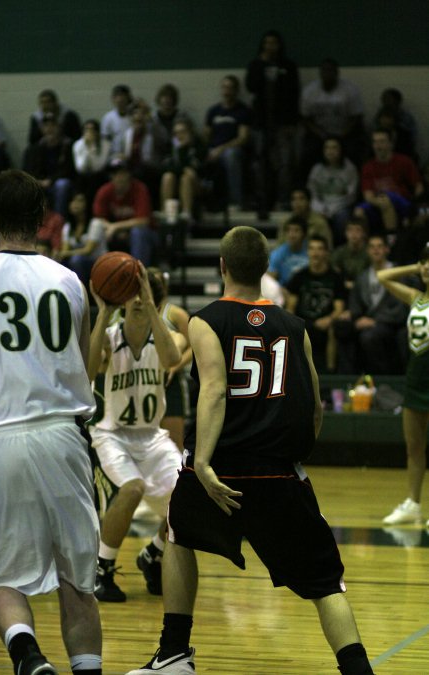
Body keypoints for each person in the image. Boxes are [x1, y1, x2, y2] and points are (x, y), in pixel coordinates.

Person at [126, 225, 374, 675]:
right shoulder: (295, 326)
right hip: (279, 471)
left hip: (219, 470)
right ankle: (358, 669)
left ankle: (175, 654)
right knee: (325, 585)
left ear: (222, 266)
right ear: (266, 269)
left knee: (179, 535)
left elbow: (215, 390)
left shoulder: (205, 319)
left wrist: (201, 461)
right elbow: (314, 404)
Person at [0, 169, 102, 675]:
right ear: (43, 220)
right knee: (79, 580)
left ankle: (28, 656)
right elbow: (84, 365)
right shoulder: (68, 279)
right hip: (63, 434)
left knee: (3, 577)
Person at [88, 268, 186, 601]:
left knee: (190, 498)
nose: (138, 302)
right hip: (112, 435)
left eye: (145, 297)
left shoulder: (168, 337)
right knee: (133, 489)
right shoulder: (110, 335)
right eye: (132, 295)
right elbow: (88, 370)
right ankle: (101, 569)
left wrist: (153, 307)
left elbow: (173, 358)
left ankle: (154, 554)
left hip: (152, 437)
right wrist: (103, 311)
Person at [377, 246, 429, 526]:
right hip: (416, 377)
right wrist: (415, 266)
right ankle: (413, 503)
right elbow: (382, 276)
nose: (427, 268)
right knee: (414, 446)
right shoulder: (415, 298)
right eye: (425, 263)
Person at [334, 235, 408, 375]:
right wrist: (351, 314)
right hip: (367, 320)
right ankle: (346, 378)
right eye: (372, 247)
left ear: (386, 249)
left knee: (369, 337)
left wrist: (375, 321)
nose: (376, 250)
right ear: (367, 251)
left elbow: (401, 307)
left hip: (391, 323)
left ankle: (383, 378)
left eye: (379, 246)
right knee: (341, 327)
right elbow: (356, 303)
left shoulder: (398, 274)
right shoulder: (363, 277)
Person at [245, 29, 300, 212]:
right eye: (267, 43)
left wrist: (292, 123)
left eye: (274, 43)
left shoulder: (288, 66)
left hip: (283, 123)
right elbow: (250, 86)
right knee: (260, 163)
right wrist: (263, 67)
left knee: (285, 163)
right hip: (261, 123)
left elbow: (294, 94)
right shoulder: (255, 65)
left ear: (279, 45)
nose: (270, 46)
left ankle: (283, 199)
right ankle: (262, 198)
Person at [286, 235, 345, 372]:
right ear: (307, 252)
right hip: (302, 322)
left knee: (334, 329)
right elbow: (290, 306)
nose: (315, 253)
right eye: (311, 249)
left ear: (326, 253)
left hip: (326, 322)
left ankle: (331, 374)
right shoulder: (299, 276)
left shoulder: (335, 277)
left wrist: (328, 319)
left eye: (319, 249)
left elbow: (339, 308)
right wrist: (294, 323)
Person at [300, 58, 366, 178]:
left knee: (354, 153)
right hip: (319, 133)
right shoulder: (309, 91)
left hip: (345, 132)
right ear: (320, 73)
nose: (327, 73)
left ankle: (355, 185)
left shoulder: (350, 90)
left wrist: (341, 134)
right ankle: (306, 189)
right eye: (324, 70)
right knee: (307, 154)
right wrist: (320, 133)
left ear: (337, 72)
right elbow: (305, 118)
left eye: (330, 70)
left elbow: (356, 117)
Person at [149, 268, 192, 450]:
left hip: (170, 382)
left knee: (174, 445)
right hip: (145, 381)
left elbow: (193, 347)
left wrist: (175, 367)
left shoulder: (176, 314)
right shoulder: (130, 312)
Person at [355, 129, 423, 235]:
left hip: (402, 202)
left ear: (391, 144)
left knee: (386, 199)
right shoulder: (368, 166)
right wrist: (380, 203)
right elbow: (368, 195)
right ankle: (368, 245)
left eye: (382, 141)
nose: (378, 146)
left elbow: (418, 186)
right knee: (359, 212)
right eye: (375, 142)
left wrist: (415, 205)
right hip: (379, 202)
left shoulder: (404, 161)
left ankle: (391, 240)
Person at [92, 159, 157, 266]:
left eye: (122, 173)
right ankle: (102, 272)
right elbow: (98, 219)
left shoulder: (140, 189)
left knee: (138, 232)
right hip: (115, 234)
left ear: (129, 174)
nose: (119, 177)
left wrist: (116, 227)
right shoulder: (104, 191)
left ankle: (139, 274)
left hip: (146, 235)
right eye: (115, 174)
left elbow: (143, 221)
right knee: (98, 231)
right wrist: (111, 228)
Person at [203, 75, 252, 211]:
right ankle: (204, 203)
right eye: (224, 87)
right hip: (213, 149)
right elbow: (206, 135)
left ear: (236, 90)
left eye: (230, 87)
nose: (226, 91)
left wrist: (221, 149)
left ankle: (235, 202)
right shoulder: (213, 111)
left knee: (231, 156)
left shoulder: (242, 111)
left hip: (233, 149)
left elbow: (243, 138)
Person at [307, 136, 359, 245]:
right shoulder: (317, 169)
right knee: (317, 220)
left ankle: (340, 247)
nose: (330, 151)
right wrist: (321, 208)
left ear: (341, 150)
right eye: (327, 148)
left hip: (341, 206)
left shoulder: (350, 169)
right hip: (321, 206)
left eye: (334, 148)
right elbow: (313, 194)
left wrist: (333, 209)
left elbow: (351, 195)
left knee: (342, 218)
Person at [23, 113, 76, 217]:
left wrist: (51, 180)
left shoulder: (68, 147)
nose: (49, 129)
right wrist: (38, 181)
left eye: (53, 125)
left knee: (62, 185)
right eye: (46, 126)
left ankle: (59, 221)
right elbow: (28, 169)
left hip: (58, 182)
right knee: (27, 187)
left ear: (59, 128)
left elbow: (69, 169)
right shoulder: (33, 149)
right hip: (39, 182)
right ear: (42, 129)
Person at [160, 119, 207, 224]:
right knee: (168, 176)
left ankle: (187, 214)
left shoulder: (199, 146)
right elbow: (165, 167)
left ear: (190, 132)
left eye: (183, 132)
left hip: (197, 184)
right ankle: (167, 212)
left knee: (186, 178)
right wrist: (183, 168)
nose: (179, 135)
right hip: (175, 182)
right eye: (176, 133)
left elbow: (198, 169)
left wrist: (183, 150)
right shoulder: (170, 147)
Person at [58, 192, 107, 287]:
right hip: (78, 261)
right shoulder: (68, 227)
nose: (75, 204)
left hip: (98, 263)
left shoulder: (96, 223)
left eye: (79, 201)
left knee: (77, 260)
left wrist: (65, 253)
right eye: (72, 201)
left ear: (87, 204)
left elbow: (88, 250)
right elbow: (65, 250)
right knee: (60, 262)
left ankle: (80, 291)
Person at [72, 119, 111, 204]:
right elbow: (80, 168)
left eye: (92, 129)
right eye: (87, 129)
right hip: (83, 176)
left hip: (100, 175)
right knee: (82, 180)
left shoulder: (106, 144)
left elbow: (99, 166)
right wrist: (88, 148)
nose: (90, 132)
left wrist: (93, 146)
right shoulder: (78, 144)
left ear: (97, 132)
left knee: (94, 179)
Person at [267, 215, 308, 286]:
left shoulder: (312, 251)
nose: (291, 235)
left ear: (304, 234)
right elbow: (270, 281)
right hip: (285, 291)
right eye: (289, 230)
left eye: (296, 230)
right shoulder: (277, 254)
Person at [331, 216, 370, 291]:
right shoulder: (339, 252)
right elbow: (333, 274)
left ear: (364, 233)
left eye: (358, 230)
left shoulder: (370, 253)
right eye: (350, 230)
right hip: (343, 289)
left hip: (365, 289)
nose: (353, 234)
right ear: (345, 233)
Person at [101, 84, 134, 159]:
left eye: (123, 96)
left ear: (128, 98)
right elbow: (105, 141)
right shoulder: (108, 118)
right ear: (113, 99)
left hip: (133, 155)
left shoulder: (134, 116)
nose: (120, 99)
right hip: (114, 156)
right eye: (117, 96)